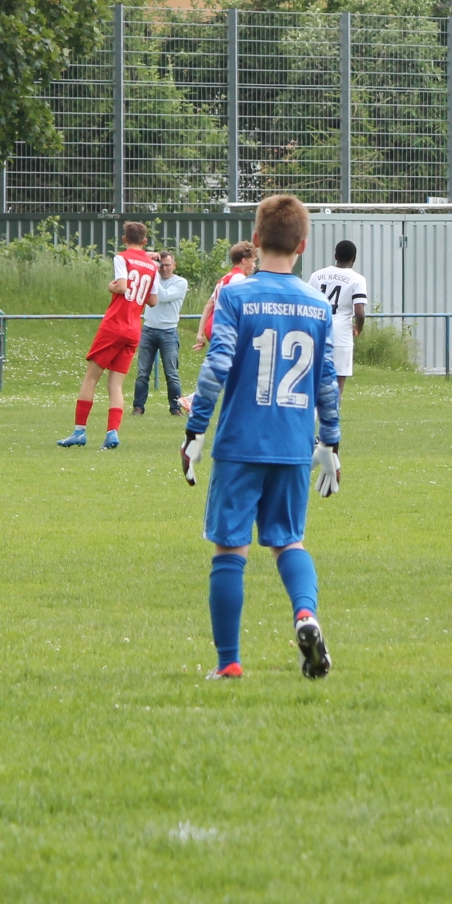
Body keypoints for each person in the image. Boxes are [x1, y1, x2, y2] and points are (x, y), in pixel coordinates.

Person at [182, 194, 340, 681]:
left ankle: (229, 663)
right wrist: (330, 442)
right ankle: (305, 615)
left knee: (230, 550)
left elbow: (217, 365)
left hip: (240, 444)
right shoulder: (318, 305)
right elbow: (326, 381)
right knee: (289, 542)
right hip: (293, 446)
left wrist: (195, 429)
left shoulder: (236, 295)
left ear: (255, 240)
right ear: (302, 244)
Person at [57, 222, 159, 449]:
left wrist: (110, 287)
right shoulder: (152, 266)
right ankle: (112, 432)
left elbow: (121, 286)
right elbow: (153, 300)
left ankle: (79, 431)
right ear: (145, 241)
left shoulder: (122, 258)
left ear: (124, 239)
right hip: (134, 328)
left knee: (91, 378)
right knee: (116, 384)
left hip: (115, 325)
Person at [307, 240, 369, 397]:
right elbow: (359, 312)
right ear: (354, 258)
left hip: (317, 330)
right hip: (341, 334)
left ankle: (311, 411)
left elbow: (307, 302)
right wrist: (358, 328)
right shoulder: (357, 279)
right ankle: (331, 413)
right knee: (337, 384)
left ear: (335, 255)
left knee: (313, 381)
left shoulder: (317, 276)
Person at [132, 251, 189, 416]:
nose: (163, 268)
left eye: (167, 265)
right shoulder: (151, 279)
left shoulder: (180, 282)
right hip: (148, 329)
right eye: (160, 265)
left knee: (171, 373)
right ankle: (138, 407)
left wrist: (152, 273)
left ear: (174, 266)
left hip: (168, 331)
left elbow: (162, 296)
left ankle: (175, 408)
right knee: (143, 373)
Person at [193, 241, 257, 351]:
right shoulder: (239, 278)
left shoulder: (225, 277)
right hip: (224, 326)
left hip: (212, 325)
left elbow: (209, 306)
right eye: (253, 261)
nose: (254, 265)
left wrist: (200, 334)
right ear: (244, 261)